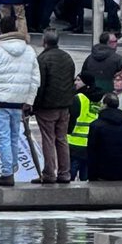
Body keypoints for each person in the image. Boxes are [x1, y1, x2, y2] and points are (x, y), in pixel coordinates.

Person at [0, 24, 40, 188]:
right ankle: (12, 168)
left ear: (1, 30)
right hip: (19, 102)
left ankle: (7, 173)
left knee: (4, 138)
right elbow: (35, 79)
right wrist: (29, 100)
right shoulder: (29, 50)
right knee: (14, 137)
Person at [32, 29, 76, 184]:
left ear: (44, 41)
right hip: (64, 106)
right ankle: (65, 173)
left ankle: (49, 173)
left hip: (47, 107)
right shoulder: (67, 57)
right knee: (62, 139)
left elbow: (40, 85)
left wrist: (34, 106)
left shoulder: (42, 59)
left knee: (48, 139)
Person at [87, 92, 122, 182]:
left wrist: (91, 176)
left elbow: (92, 152)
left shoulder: (96, 125)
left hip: (102, 173)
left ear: (105, 105)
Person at [67, 76, 102, 181]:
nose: (75, 82)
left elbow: (71, 119)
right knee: (86, 176)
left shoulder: (78, 98)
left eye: (79, 80)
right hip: (91, 142)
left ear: (86, 83)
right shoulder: (99, 99)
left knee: (71, 175)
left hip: (75, 141)